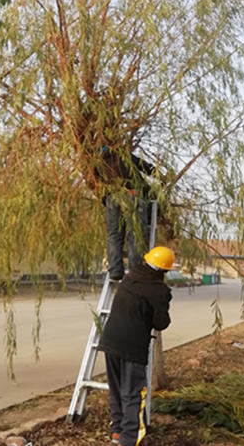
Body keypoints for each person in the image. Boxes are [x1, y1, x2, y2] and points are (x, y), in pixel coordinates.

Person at [98, 246, 174, 446]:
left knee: (116, 389)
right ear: (164, 270)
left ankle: (117, 432)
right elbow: (161, 323)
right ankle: (129, 439)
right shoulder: (159, 290)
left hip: (110, 341)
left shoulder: (129, 277)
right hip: (133, 347)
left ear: (147, 261)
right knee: (133, 393)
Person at [97, 147, 157, 280]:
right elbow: (146, 168)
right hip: (132, 196)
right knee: (134, 235)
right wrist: (162, 177)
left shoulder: (99, 162)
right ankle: (134, 271)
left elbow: (97, 183)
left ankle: (115, 271)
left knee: (114, 235)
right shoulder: (125, 156)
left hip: (112, 199)